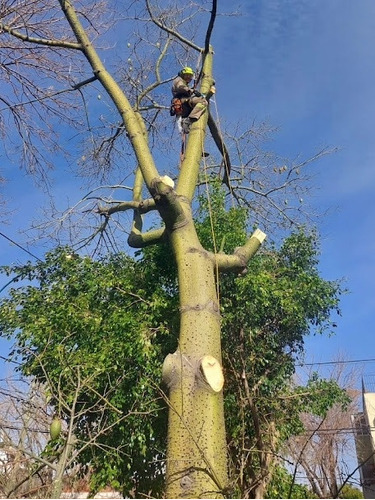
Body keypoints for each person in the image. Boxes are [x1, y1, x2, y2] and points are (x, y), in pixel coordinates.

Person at [171, 66, 208, 133]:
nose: (189, 77)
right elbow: (180, 87)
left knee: (198, 103)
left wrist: (192, 90)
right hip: (182, 101)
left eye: (190, 76)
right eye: (187, 75)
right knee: (203, 102)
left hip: (185, 106)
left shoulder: (184, 83)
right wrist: (191, 91)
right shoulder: (179, 80)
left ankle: (186, 121)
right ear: (183, 74)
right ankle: (189, 121)